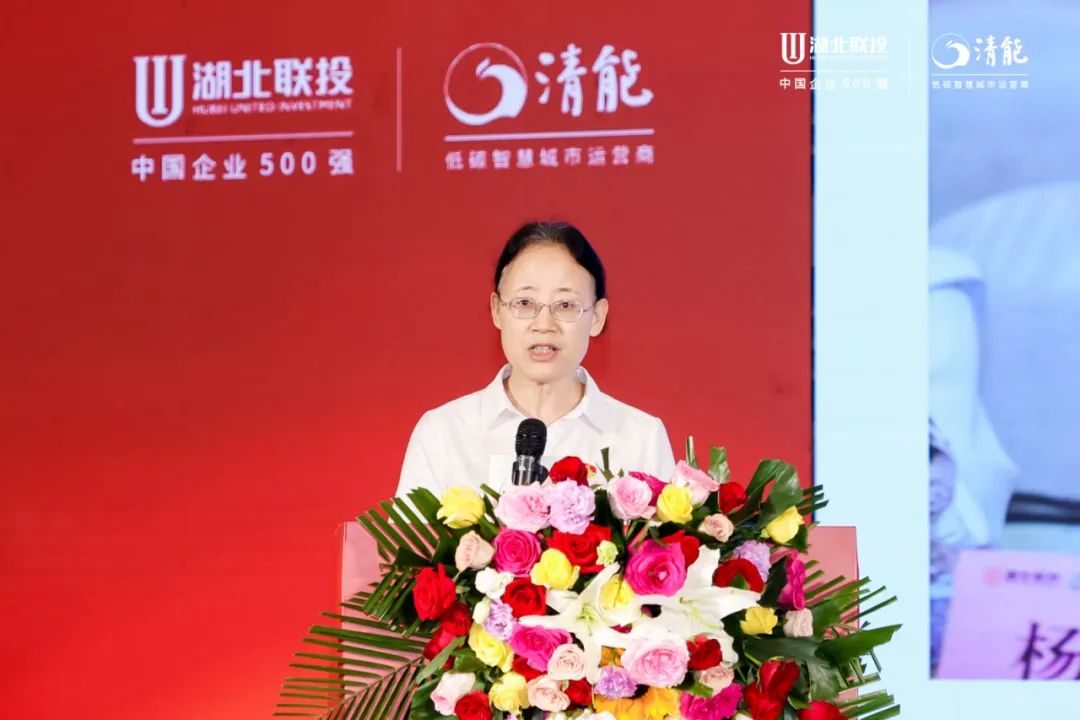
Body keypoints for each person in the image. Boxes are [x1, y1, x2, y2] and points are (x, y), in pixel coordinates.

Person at [395, 221, 676, 498]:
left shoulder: (641, 438)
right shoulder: (443, 433)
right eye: (525, 303)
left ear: (597, 317)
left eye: (565, 305)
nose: (544, 324)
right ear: (497, 310)